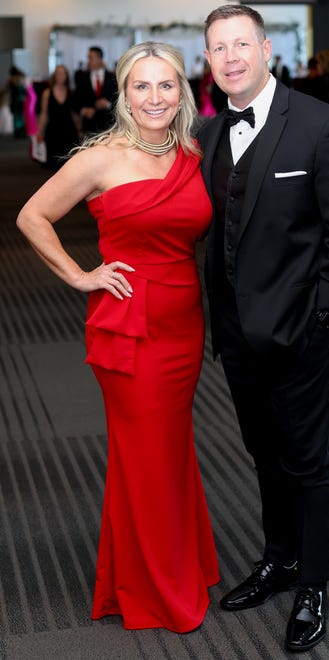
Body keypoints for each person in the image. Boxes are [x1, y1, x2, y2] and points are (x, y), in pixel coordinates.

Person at [16, 40, 219, 633]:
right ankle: (156, 590)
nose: (154, 97)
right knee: (146, 456)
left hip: (184, 324)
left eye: (166, 85)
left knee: (168, 450)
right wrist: (82, 275)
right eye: (142, 85)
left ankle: (177, 563)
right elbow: (32, 216)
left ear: (182, 91)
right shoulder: (101, 158)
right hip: (130, 327)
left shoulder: (192, 151)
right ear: (123, 93)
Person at [198, 4, 329, 652]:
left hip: (301, 331)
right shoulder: (211, 135)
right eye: (219, 47)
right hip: (237, 333)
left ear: (266, 48)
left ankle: (315, 583)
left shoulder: (321, 126)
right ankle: (278, 559)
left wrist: (324, 321)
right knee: (263, 452)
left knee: (309, 459)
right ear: (209, 60)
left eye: (242, 43)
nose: (231, 56)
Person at [36, 65, 80, 170]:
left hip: (69, 132)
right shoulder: (47, 93)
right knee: (53, 165)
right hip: (53, 132)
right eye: (58, 73)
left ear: (66, 76)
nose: (61, 76)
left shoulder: (70, 92)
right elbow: (44, 114)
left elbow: (74, 114)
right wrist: (39, 132)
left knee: (68, 164)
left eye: (63, 73)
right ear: (54, 76)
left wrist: (79, 130)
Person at [74, 46, 118, 135]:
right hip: (89, 128)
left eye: (91, 58)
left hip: (109, 128)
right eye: (88, 58)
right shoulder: (82, 78)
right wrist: (84, 110)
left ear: (100, 59)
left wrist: (108, 104)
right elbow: (75, 101)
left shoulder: (113, 77)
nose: (88, 61)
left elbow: (119, 99)